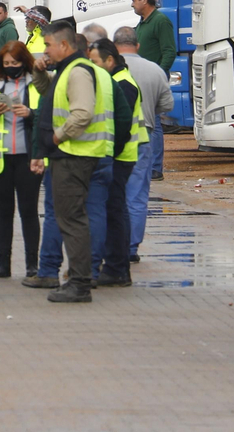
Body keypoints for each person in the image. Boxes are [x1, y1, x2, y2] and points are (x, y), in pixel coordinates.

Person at [27, 20, 113, 303]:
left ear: (64, 45)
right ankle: (79, 279)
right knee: (72, 218)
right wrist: (38, 73)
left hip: (74, 155)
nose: (45, 51)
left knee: (72, 219)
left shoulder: (77, 72)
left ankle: (79, 282)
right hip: (74, 154)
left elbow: (81, 114)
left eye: (48, 45)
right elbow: (49, 94)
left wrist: (57, 138)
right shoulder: (67, 71)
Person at [0, 40, 39, 278]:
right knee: (3, 212)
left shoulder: (38, 86)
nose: (11, 66)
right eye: (6, 63)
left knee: (29, 212)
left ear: (24, 62)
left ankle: (32, 264)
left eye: (15, 62)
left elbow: (48, 118)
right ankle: (3, 262)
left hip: (28, 157)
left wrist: (30, 113)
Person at [89, 36, 144, 286]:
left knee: (115, 212)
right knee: (115, 211)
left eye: (95, 62)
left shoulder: (123, 83)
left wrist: (111, 152)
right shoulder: (117, 79)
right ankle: (116, 267)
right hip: (121, 154)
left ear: (110, 60)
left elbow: (121, 125)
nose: (92, 67)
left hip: (121, 156)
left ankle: (117, 268)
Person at [114, 25, 174, 250]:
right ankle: (131, 247)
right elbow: (167, 104)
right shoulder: (154, 70)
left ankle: (113, 244)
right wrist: (149, 110)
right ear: (137, 45)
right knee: (137, 193)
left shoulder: (106, 69)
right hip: (143, 134)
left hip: (110, 137)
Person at [130, 0, 176, 79]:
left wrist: (159, 74)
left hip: (153, 79)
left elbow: (169, 52)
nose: (132, 5)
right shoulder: (142, 23)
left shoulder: (161, 21)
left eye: (134, 1)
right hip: (142, 78)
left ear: (144, 0)